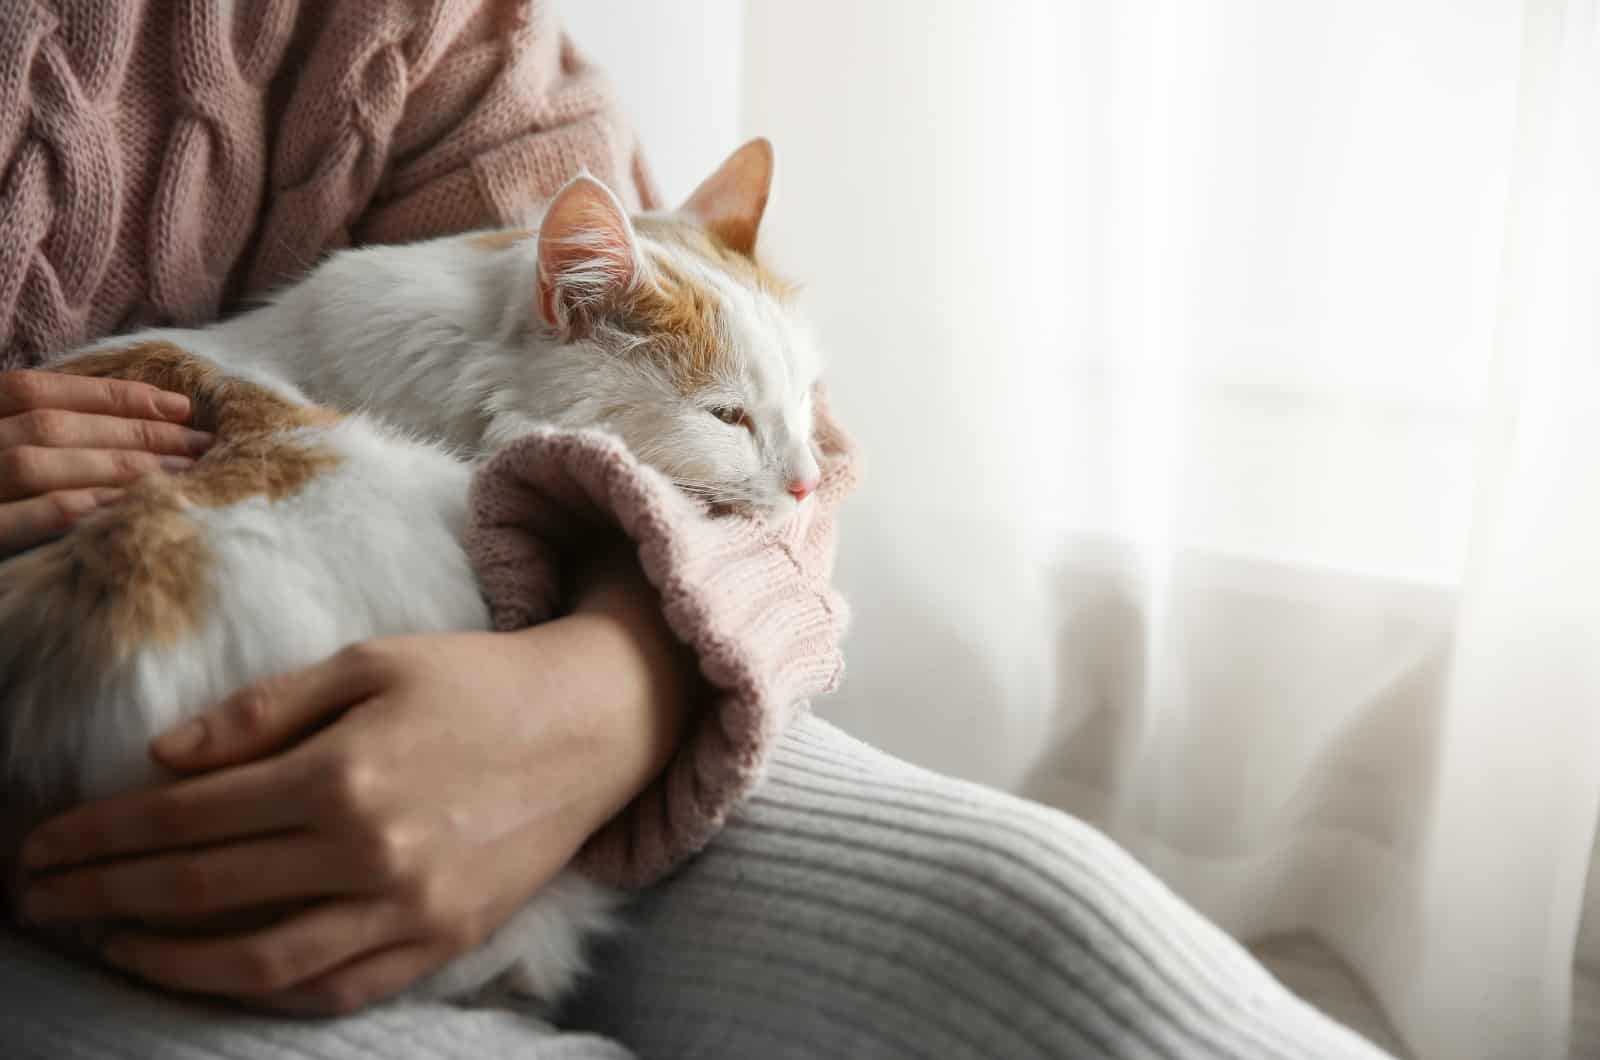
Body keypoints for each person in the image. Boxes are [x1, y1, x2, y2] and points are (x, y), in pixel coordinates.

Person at [0, 4, 1394, 1057]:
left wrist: (613, 689)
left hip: (605, 687)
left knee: (1062, 933)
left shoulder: (425, 38)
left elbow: (763, 432)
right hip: (132, 732)